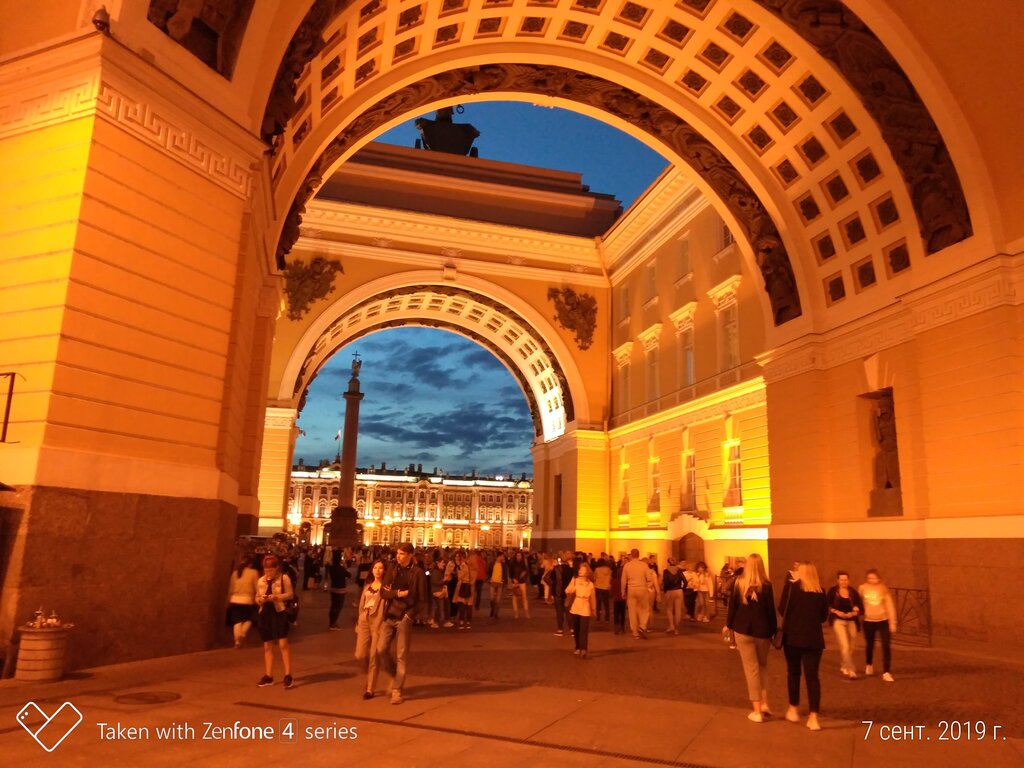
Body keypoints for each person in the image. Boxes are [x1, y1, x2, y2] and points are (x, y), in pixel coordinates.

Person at [725, 552, 777, 722]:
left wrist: (729, 625)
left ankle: (756, 711)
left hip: (743, 629)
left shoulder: (739, 582)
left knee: (751, 669)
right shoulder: (767, 585)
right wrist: (773, 629)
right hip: (763, 631)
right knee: (763, 667)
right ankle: (765, 703)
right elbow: (770, 611)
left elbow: (732, 607)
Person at [780, 562, 829, 731]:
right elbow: (823, 617)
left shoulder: (791, 589)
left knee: (793, 673)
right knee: (812, 677)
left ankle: (793, 708)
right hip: (814, 640)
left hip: (792, 638)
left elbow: (781, 610)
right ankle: (813, 717)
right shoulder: (821, 592)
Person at [377, 543, 426, 705]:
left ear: (411, 555)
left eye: (402, 554)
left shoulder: (418, 573)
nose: (398, 556)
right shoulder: (392, 569)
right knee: (381, 649)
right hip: (389, 614)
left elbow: (421, 600)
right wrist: (397, 593)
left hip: (404, 617)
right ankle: (394, 675)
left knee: (401, 655)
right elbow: (383, 592)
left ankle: (397, 689)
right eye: (397, 553)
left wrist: (408, 616)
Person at [254, 554, 294, 688]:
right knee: (267, 645)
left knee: (283, 644)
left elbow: (290, 594)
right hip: (265, 613)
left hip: (279, 612)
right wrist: (260, 600)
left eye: (270, 570)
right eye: (266, 570)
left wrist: (276, 597)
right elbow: (257, 597)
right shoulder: (261, 581)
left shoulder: (284, 578)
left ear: (277, 568)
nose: (268, 573)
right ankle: (269, 675)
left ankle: (288, 674)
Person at [354, 559, 385, 699]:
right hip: (364, 620)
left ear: (384, 570)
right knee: (360, 654)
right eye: (375, 568)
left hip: (377, 621)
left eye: (380, 568)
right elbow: (361, 605)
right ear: (372, 570)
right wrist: (358, 621)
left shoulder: (386, 588)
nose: (377, 570)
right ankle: (370, 673)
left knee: (373, 655)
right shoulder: (367, 587)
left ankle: (370, 688)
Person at [859, 569, 897, 682]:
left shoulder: (883, 589)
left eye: (874, 578)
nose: (872, 580)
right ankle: (869, 663)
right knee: (869, 644)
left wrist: (893, 622)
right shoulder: (862, 588)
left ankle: (886, 671)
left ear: (878, 578)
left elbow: (890, 605)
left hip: (883, 620)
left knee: (886, 645)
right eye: (870, 578)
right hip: (868, 621)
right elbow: (858, 603)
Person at [826, 570, 863, 679]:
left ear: (849, 580)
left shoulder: (853, 592)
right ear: (838, 580)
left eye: (846, 580)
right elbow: (827, 605)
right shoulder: (833, 591)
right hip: (838, 620)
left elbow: (861, 607)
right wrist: (836, 612)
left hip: (851, 620)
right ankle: (851, 670)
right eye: (841, 580)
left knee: (851, 646)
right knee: (845, 645)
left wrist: (855, 611)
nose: (844, 582)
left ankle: (844, 664)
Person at [621, 548, 656, 639]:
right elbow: (649, 578)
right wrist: (648, 585)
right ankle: (642, 626)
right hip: (642, 589)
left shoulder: (627, 566)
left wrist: (623, 591)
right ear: (639, 555)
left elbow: (623, 580)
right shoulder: (644, 565)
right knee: (645, 609)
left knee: (632, 611)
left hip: (631, 589)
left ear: (631, 555)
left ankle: (635, 632)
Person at [227, 552, 259, 649]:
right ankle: (242, 634)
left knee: (237, 621)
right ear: (250, 564)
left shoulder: (235, 573)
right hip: (247, 599)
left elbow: (231, 588)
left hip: (235, 599)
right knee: (248, 619)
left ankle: (237, 641)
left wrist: (228, 599)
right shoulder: (253, 573)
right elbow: (256, 587)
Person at [565, 562, 597, 658]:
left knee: (584, 630)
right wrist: (572, 590)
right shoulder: (575, 580)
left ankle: (584, 649)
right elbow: (567, 590)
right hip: (575, 605)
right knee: (576, 629)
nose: (580, 571)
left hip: (585, 606)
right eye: (580, 569)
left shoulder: (590, 584)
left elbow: (593, 598)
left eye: (583, 570)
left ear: (587, 572)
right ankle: (577, 647)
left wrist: (594, 609)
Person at [543, 553, 574, 636]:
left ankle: (560, 630)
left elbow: (546, 578)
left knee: (559, 612)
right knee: (569, 612)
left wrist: (553, 585)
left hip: (558, 592)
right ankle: (572, 629)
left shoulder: (556, 569)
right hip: (569, 593)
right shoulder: (571, 570)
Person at [450, 551, 474, 629]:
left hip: (463, 585)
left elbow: (460, 576)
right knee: (468, 605)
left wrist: (457, 572)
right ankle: (468, 622)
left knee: (462, 604)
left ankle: (462, 621)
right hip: (469, 585)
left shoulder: (464, 565)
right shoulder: (470, 565)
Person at [326, 550, 350, 630]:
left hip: (333, 588)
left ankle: (331, 622)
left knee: (333, 606)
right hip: (341, 589)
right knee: (338, 607)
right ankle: (333, 623)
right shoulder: (341, 568)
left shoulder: (331, 567)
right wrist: (345, 567)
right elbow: (349, 575)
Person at [661, 557, 685, 634]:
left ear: (668, 562)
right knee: (678, 610)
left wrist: (665, 591)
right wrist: (682, 589)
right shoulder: (679, 571)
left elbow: (665, 582)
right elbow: (685, 581)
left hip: (670, 591)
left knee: (669, 609)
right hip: (679, 591)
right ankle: (677, 629)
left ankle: (671, 625)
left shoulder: (666, 571)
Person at [509, 551, 531, 619]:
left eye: (520, 555)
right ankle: (516, 612)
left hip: (522, 582)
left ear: (522, 556)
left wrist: (523, 577)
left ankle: (526, 612)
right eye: (517, 555)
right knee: (515, 598)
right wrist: (513, 579)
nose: (518, 557)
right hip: (514, 582)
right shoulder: (513, 564)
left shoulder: (524, 564)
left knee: (524, 597)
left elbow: (527, 572)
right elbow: (510, 573)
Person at [488, 551, 508, 620]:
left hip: (500, 583)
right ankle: (493, 608)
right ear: (499, 556)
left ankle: (496, 613)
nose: (503, 557)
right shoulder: (492, 563)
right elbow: (488, 571)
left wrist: (504, 581)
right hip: (492, 582)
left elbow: (505, 574)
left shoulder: (503, 565)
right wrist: (489, 579)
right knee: (491, 598)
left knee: (498, 600)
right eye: (502, 556)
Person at [592, 558, 612, 622]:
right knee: (606, 604)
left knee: (598, 603)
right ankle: (607, 618)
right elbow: (610, 578)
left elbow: (594, 578)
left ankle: (598, 617)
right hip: (606, 588)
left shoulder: (597, 569)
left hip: (598, 587)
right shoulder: (608, 570)